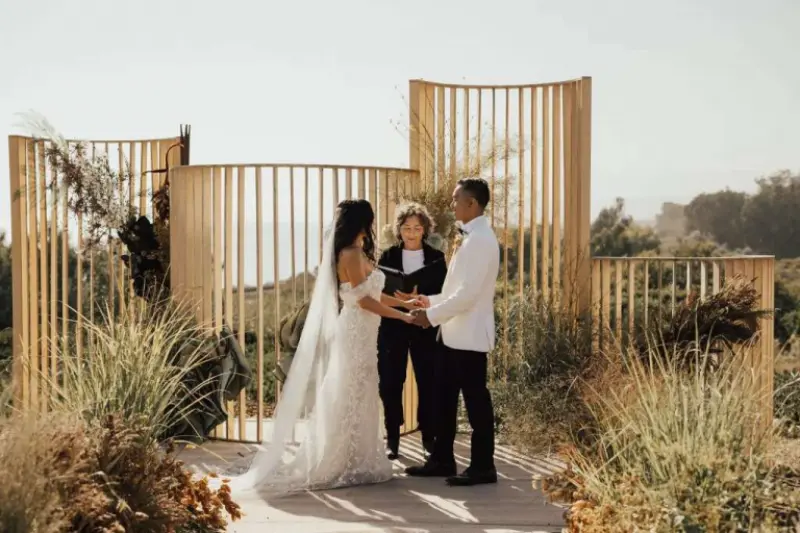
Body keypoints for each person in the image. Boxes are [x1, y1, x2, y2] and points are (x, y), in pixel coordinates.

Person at [229, 199, 421, 494]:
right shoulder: (352, 254)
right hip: (356, 331)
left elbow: (376, 293)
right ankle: (344, 460)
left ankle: (358, 457)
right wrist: (403, 316)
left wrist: (404, 302)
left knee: (360, 392)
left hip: (364, 333)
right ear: (364, 222)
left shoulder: (353, 251)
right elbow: (364, 300)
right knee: (350, 392)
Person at [406, 178, 500, 487]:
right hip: (451, 334)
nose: (452, 204)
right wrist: (429, 301)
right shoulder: (471, 238)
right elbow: (455, 290)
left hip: (469, 337)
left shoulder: (482, 240)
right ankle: (442, 459)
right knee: (443, 399)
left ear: (472, 204)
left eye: (456, 199)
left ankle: (483, 467)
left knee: (475, 403)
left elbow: (469, 296)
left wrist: (429, 316)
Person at [377, 203, 447, 459]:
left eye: (417, 228)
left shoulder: (437, 258)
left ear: (425, 229)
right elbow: (378, 292)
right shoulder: (387, 257)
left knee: (428, 381)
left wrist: (422, 297)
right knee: (390, 382)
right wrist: (401, 300)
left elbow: (445, 292)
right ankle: (392, 438)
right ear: (399, 229)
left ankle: (428, 437)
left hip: (424, 325)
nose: (412, 233)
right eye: (406, 227)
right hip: (393, 325)